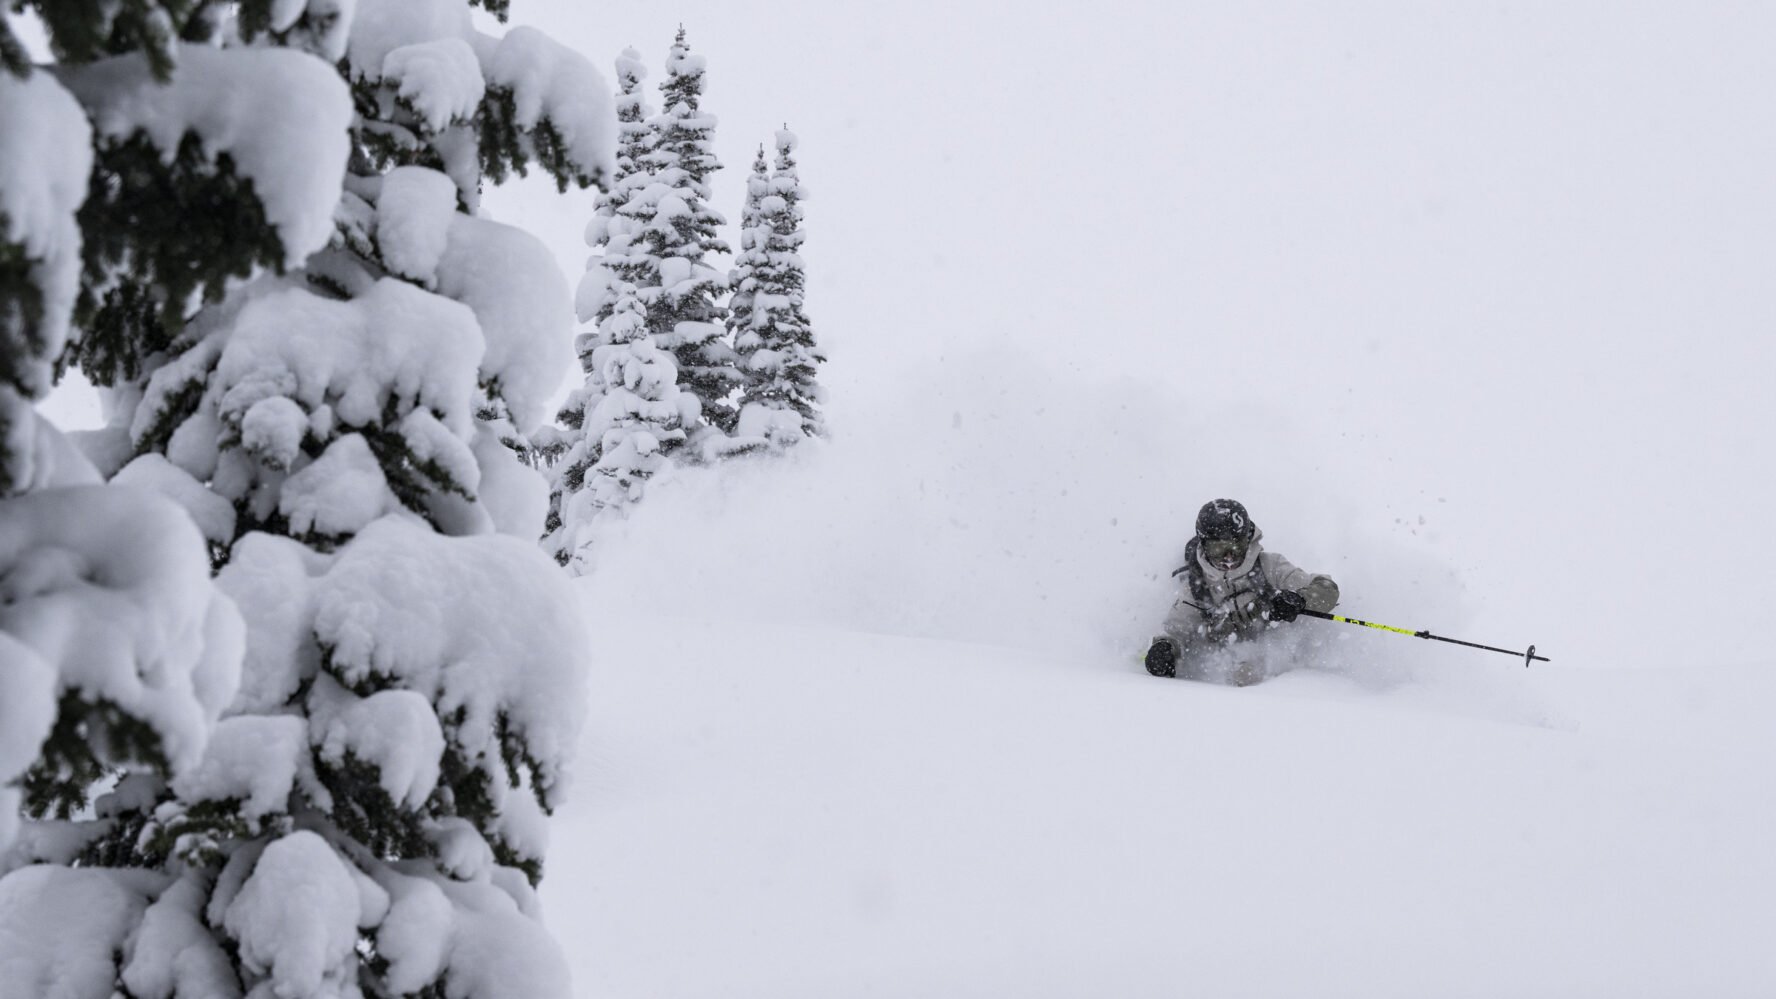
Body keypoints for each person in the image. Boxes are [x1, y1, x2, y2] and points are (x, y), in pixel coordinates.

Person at [1145, 498, 1340, 684]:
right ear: (1204, 545)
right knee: (1242, 674)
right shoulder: (1197, 586)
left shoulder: (1268, 566)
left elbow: (1326, 589)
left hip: (1271, 650)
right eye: (1218, 549)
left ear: (1248, 539)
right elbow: (1176, 629)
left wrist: (1299, 599)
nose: (1228, 558)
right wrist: (1164, 648)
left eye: (1235, 546)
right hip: (1220, 660)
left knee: (1248, 674)